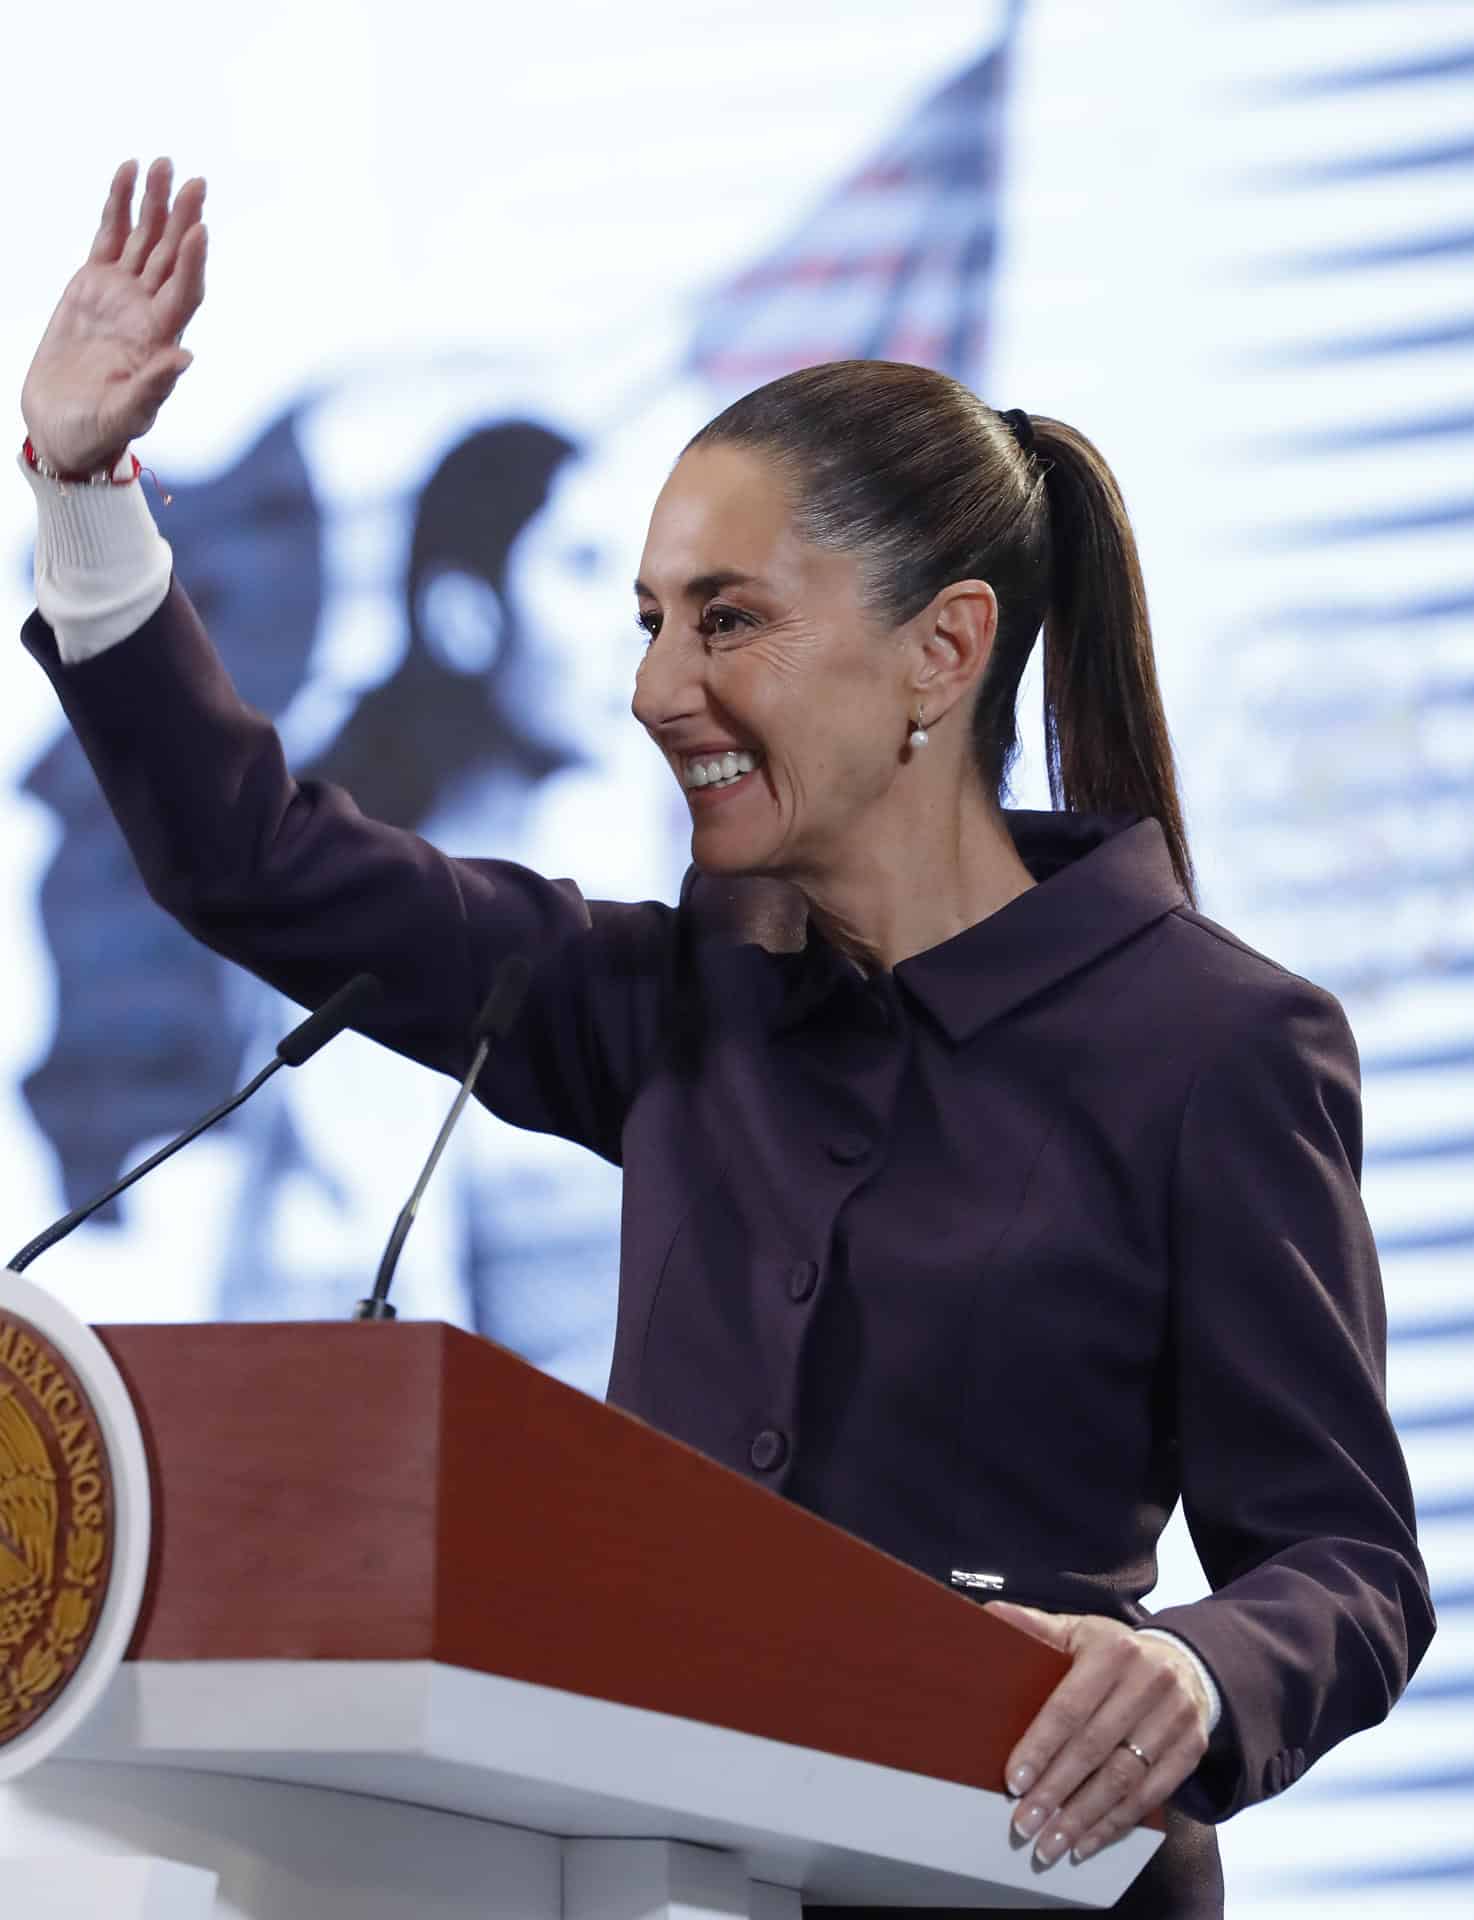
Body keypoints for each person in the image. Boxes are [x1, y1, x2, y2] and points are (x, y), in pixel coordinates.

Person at [16, 159, 1433, 1919]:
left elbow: (1348, 1563)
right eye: (646, 621)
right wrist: (83, 489)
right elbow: (255, 860)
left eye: (727, 619)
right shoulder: (664, 997)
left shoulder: (1216, 1042)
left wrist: (1204, 1669)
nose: (651, 688)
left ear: (943, 651)